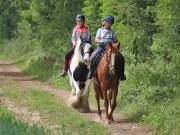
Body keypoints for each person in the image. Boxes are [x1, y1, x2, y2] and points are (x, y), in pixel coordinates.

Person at [87, 15, 126, 80]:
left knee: (121, 58)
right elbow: (96, 39)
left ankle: (122, 74)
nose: (108, 24)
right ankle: (90, 72)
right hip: (101, 47)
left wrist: (116, 45)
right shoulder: (100, 30)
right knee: (93, 56)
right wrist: (102, 41)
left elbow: (116, 41)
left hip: (111, 48)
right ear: (104, 22)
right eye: (107, 22)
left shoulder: (112, 32)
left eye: (110, 23)